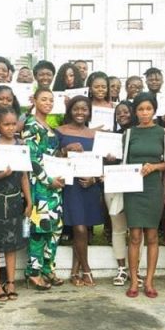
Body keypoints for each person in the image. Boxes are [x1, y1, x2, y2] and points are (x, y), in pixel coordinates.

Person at [0, 107, 32, 301]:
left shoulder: (21, 145)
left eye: (13, 124)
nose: (11, 128)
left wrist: (29, 201)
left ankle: (11, 282)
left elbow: (24, 176)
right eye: (6, 124)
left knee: (12, 243)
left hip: (15, 200)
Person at [123, 92, 165, 298]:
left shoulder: (163, 133)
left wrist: (155, 167)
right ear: (135, 111)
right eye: (140, 109)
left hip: (152, 188)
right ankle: (134, 281)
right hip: (132, 188)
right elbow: (122, 162)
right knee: (134, 236)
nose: (144, 113)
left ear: (154, 110)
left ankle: (150, 281)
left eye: (148, 109)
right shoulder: (128, 134)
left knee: (152, 235)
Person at [56, 96, 103, 286]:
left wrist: (94, 179)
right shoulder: (59, 131)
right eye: (76, 109)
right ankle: (87, 269)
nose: (80, 112)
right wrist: (64, 150)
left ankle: (75, 272)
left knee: (83, 229)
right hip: (70, 186)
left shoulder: (95, 134)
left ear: (90, 112)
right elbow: (50, 157)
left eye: (84, 109)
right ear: (69, 111)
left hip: (89, 185)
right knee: (79, 227)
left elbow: (100, 162)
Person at [22, 88, 66, 289]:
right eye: (44, 99)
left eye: (51, 100)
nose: (48, 103)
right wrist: (48, 180)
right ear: (35, 101)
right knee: (40, 229)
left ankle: (48, 268)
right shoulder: (31, 125)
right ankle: (33, 272)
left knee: (54, 229)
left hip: (54, 187)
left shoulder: (49, 125)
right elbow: (31, 159)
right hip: (40, 186)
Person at [108, 101, 135, 285]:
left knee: (136, 228)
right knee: (118, 227)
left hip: (135, 184)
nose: (122, 115)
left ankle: (136, 270)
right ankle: (122, 269)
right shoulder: (111, 137)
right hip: (114, 183)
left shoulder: (139, 135)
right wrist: (108, 159)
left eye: (126, 111)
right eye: (118, 113)